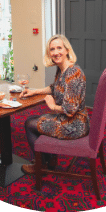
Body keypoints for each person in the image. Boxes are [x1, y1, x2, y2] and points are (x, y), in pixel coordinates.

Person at [20, 34, 89, 174]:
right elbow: (54, 87)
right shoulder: (63, 69)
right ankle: (49, 160)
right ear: (49, 53)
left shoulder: (73, 73)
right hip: (71, 120)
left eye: (59, 48)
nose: (56, 52)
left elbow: (69, 110)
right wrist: (34, 91)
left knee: (29, 124)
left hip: (75, 124)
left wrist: (52, 106)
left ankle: (42, 164)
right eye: (52, 49)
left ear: (67, 50)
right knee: (34, 120)